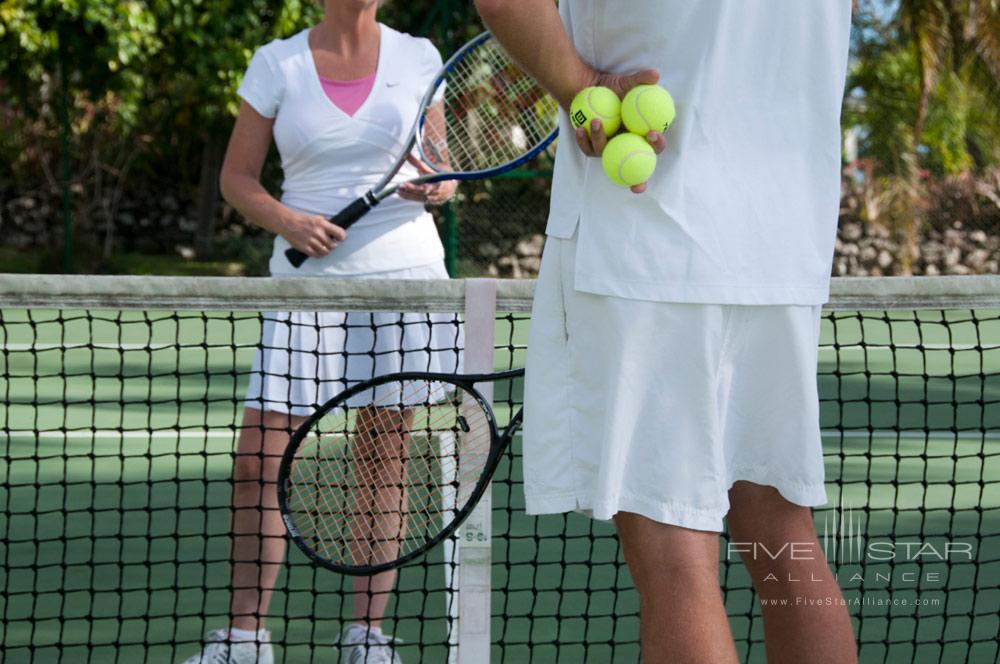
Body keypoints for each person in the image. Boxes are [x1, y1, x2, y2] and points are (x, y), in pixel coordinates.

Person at [474, 1, 859, 662]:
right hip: (782, 247)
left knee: (678, 563)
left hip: (642, 249)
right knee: (785, 537)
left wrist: (578, 89)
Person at [183, 2, 460, 663]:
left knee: (384, 454)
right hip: (306, 284)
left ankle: (367, 636)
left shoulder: (419, 57)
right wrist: (288, 221)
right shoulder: (275, 63)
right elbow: (236, 178)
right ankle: (245, 639)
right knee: (258, 460)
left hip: (405, 276)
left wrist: (437, 186)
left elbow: (443, 166)